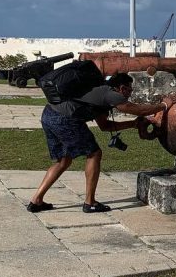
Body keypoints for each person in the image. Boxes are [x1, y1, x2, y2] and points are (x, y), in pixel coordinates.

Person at [27, 73, 165, 213]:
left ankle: (36, 200)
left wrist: (132, 124)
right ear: (122, 88)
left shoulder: (100, 92)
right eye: (129, 90)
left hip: (49, 115)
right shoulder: (112, 94)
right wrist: (164, 105)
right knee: (94, 153)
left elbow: (105, 126)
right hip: (65, 119)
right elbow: (138, 110)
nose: (130, 94)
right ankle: (90, 202)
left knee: (63, 160)